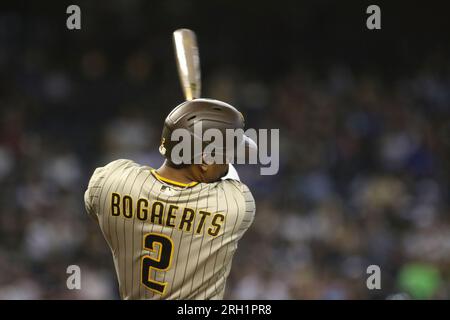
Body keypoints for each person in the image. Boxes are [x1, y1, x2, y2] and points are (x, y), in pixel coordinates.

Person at [84, 98, 256, 299]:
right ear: (205, 161)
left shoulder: (110, 181)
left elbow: (93, 209)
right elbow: (229, 178)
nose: (227, 162)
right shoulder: (234, 204)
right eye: (225, 156)